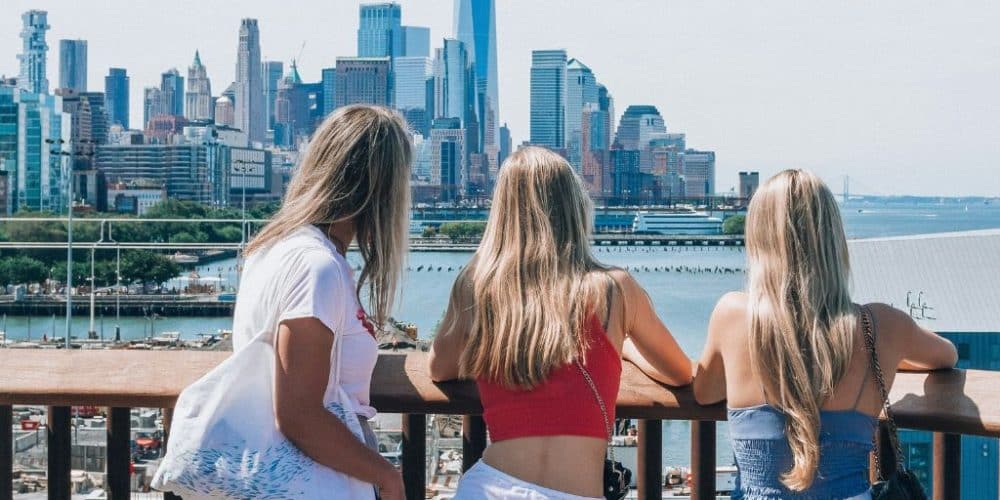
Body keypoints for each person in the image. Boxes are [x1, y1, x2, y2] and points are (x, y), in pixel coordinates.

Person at [428, 146, 692, 499]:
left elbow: (439, 368)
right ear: (574, 206)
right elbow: (680, 373)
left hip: (489, 487)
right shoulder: (613, 289)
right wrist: (623, 350)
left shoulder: (478, 285)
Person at [693, 169, 957, 499]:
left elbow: (705, 392)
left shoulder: (731, 315)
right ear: (833, 239)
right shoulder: (881, 325)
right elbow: (947, 355)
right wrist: (891, 363)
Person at [235, 105, 411, 499]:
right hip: (315, 482)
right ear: (379, 187)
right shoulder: (318, 267)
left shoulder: (270, 251)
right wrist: (387, 477)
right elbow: (298, 412)